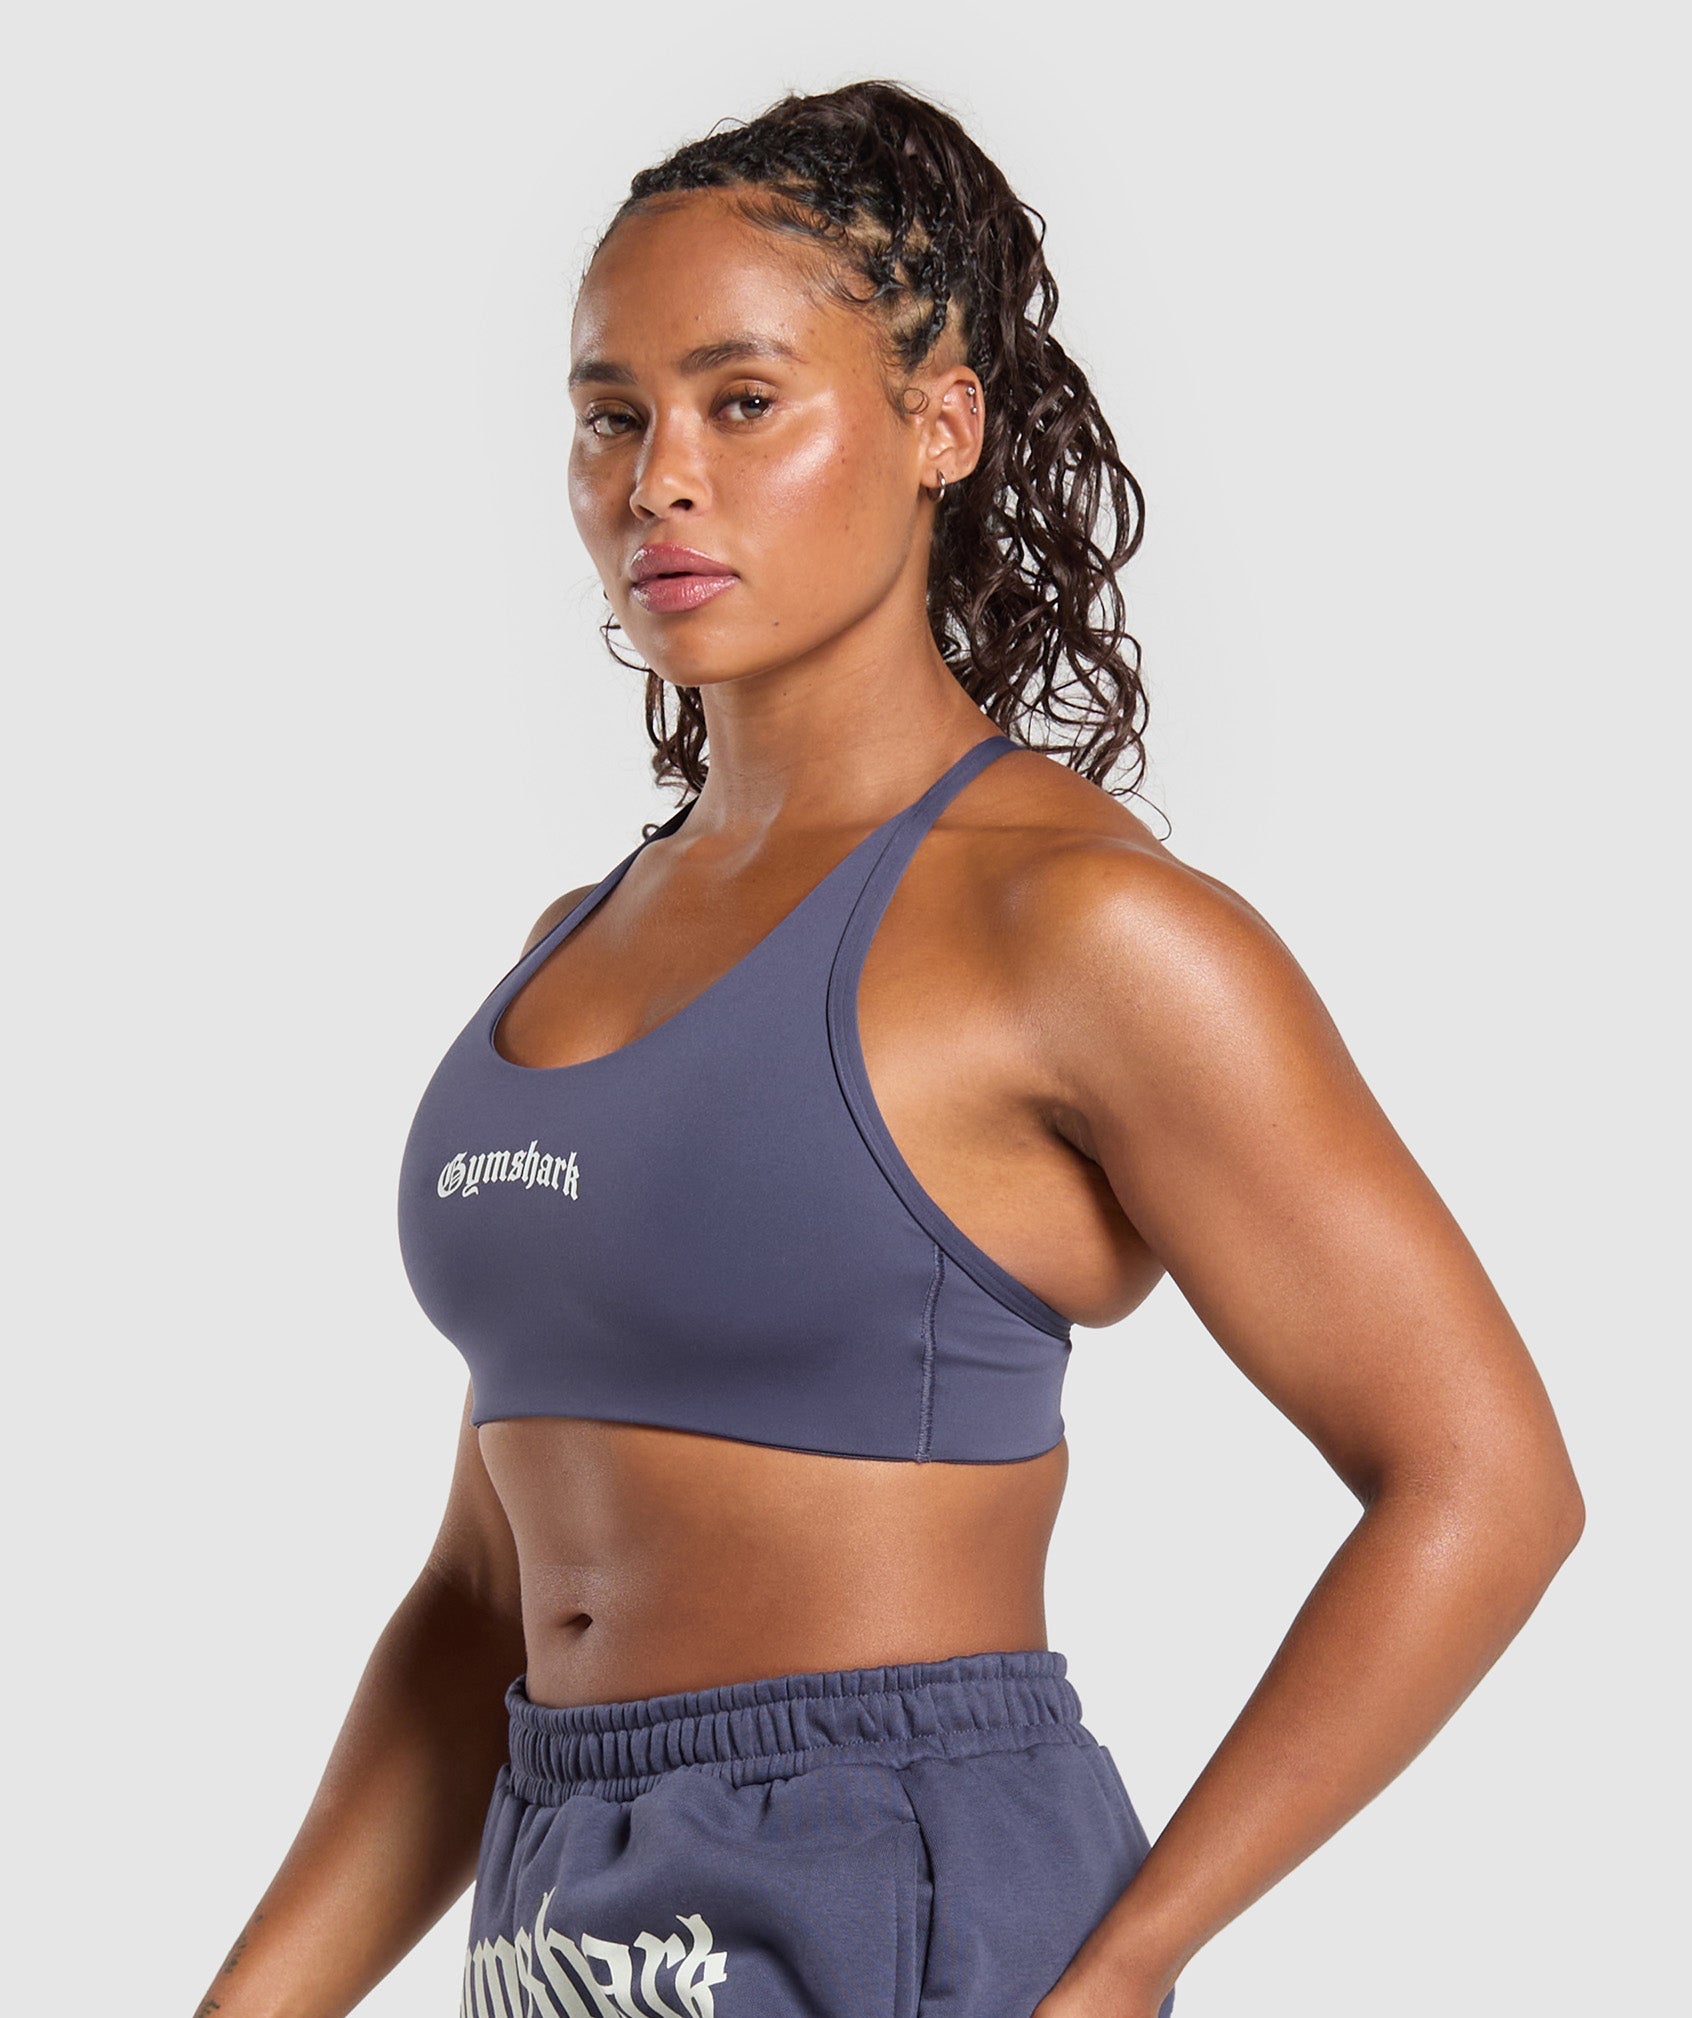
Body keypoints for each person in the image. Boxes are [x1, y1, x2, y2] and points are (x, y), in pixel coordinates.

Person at [192, 79, 1584, 2018]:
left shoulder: (1078, 928)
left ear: (942, 425)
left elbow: (1485, 1480)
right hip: (563, 1894)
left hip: (894, 1886)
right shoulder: (567, 950)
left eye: (743, 401)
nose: (661, 480)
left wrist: (1126, 1964)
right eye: (612, 415)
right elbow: (487, 1598)